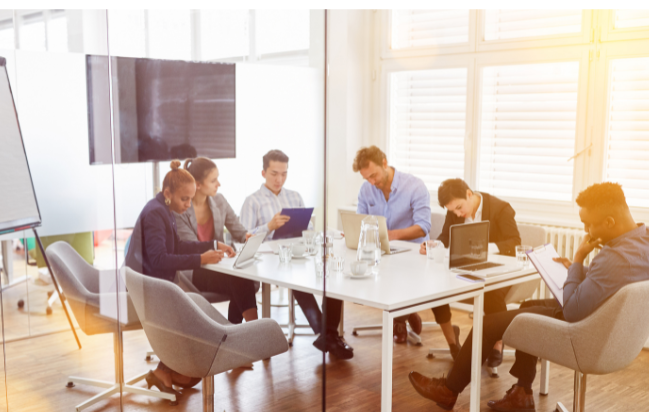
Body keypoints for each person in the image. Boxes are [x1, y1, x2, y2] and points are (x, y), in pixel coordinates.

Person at [408, 182, 649, 411]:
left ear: (610, 222)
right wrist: (584, 272)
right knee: (528, 305)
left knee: (487, 325)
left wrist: (578, 260)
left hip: (585, 328)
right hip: (612, 326)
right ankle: (522, 392)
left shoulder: (612, 258)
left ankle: (449, 390)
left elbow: (572, 311)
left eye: (588, 224)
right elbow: (621, 278)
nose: (587, 231)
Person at [125, 160, 260, 393]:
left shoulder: (164, 209)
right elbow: (159, 260)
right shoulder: (156, 213)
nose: (188, 205)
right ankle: (167, 370)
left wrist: (213, 244)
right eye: (184, 199)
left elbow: (176, 245)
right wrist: (201, 259)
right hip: (147, 286)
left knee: (189, 314)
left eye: (190, 199)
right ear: (167, 193)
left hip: (158, 282)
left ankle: (164, 371)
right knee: (188, 315)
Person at [241, 149, 353, 360]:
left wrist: (310, 227)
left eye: (284, 173)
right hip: (269, 259)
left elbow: (308, 227)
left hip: (299, 253)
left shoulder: (294, 196)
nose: (279, 179)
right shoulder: (252, 201)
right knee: (297, 280)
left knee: (331, 277)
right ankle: (327, 334)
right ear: (263, 173)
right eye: (274, 173)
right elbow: (244, 237)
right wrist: (269, 226)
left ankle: (327, 334)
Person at [422, 178, 521, 362]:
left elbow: (515, 242)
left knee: (489, 290)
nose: (458, 214)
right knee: (435, 288)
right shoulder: (455, 212)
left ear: (469, 193)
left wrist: (485, 248)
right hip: (464, 269)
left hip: (497, 272)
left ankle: (497, 343)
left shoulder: (501, 208)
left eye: (459, 208)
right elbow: (445, 237)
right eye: (453, 211)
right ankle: (452, 342)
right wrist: (433, 245)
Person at [353, 146, 431, 343]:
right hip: (380, 251)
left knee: (397, 273)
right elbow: (361, 220)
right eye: (367, 178)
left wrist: (391, 235)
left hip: (410, 252)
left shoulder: (414, 186)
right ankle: (405, 313)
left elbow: (423, 227)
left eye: (374, 175)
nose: (372, 182)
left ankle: (400, 317)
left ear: (385, 163)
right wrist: (355, 231)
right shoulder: (366, 189)